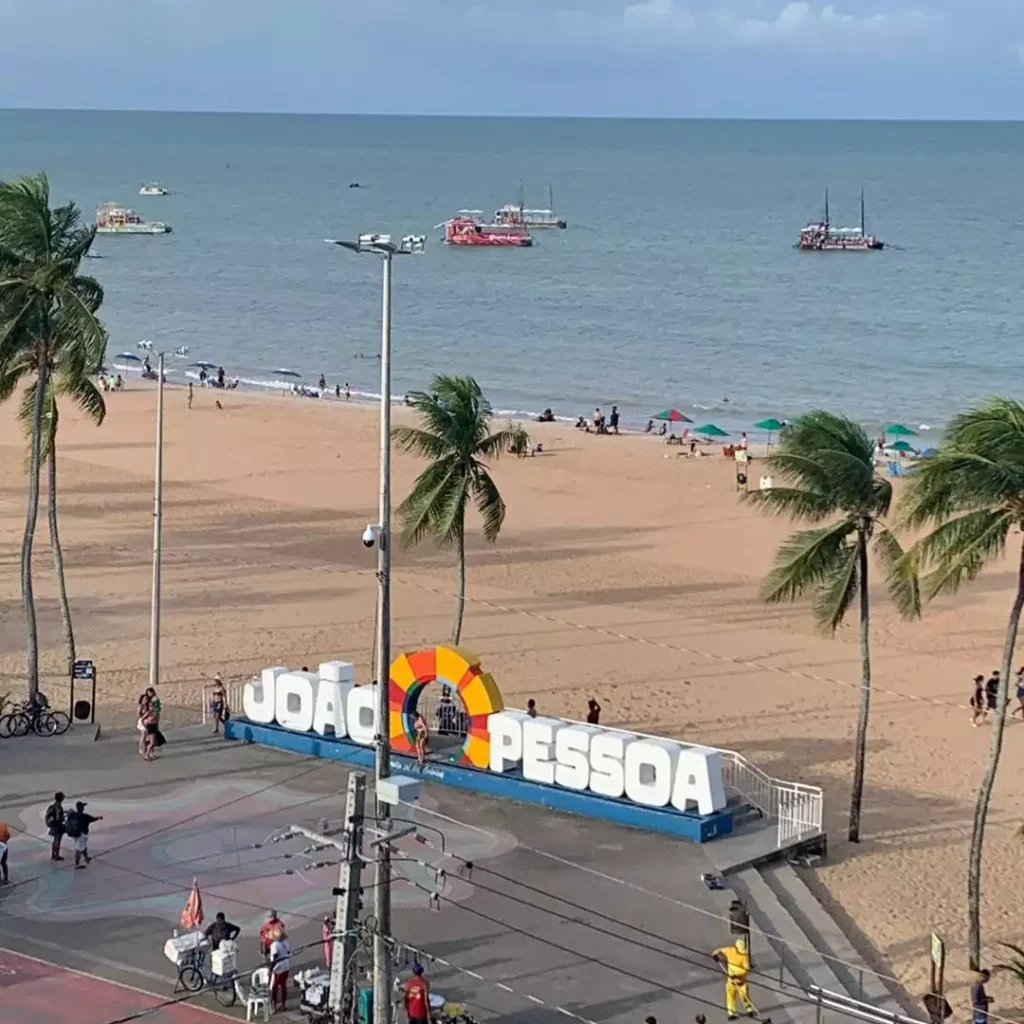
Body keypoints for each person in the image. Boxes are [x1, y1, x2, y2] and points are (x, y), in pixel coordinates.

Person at [713, 936, 758, 1020]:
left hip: (741, 981)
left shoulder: (744, 956)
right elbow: (718, 951)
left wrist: (736, 975)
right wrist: (715, 955)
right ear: (736, 948)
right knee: (731, 997)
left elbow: (746, 969)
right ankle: (731, 1013)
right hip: (731, 981)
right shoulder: (730, 951)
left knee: (744, 997)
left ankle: (749, 1010)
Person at [65, 801, 101, 869]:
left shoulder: (73, 814)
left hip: (74, 834)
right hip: (81, 835)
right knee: (79, 849)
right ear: (82, 808)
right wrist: (99, 817)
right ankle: (77, 864)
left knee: (83, 846)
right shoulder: (84, 816)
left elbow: (68, 814)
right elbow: (93, 819)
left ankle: (86, 858)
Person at [268, 927, 291, 1012]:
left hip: (278, 968)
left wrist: (271, 968)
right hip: (286, 966)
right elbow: (288, 952)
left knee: (274, 987)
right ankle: (283, 1005)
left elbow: (275, 957)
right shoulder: (286, 942)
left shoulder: (274, 945)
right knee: (283, 986)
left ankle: (274, 1006)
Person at [45, 791, 66, 861]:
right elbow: (58, 818)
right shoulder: (58, 807)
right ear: (61, 798)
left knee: (55, 840)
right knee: (58, 840)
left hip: (54, 825)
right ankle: (56, 855)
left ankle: (53, 855)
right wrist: (64, 817)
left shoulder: (54, 805)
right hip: (57, 826)